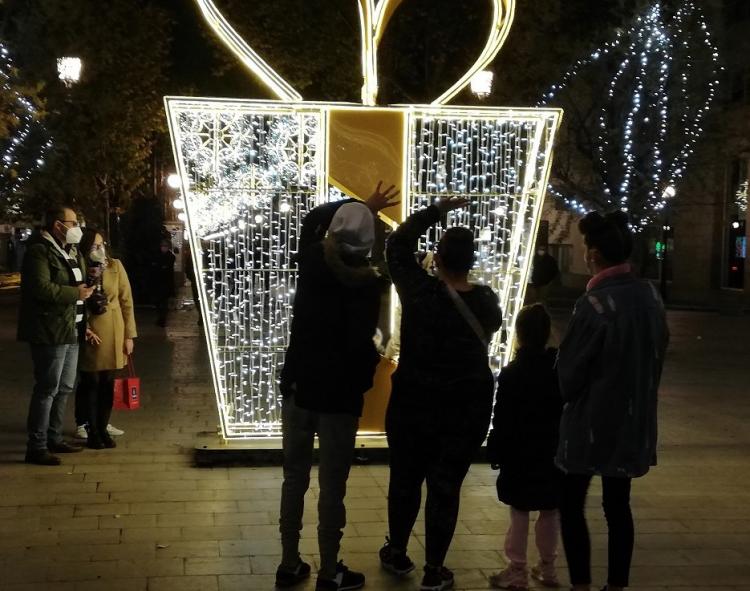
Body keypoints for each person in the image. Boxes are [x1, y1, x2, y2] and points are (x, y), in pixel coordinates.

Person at [275, 183, 399, 591]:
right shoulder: (369, 285)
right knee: (333, 485)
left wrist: (361, 206)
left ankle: (289, 562)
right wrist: (362, 381)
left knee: (294, 477)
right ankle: (330, 569)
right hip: (338, 400)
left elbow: (314, 219)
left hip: (299, 388)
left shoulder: (311, 262)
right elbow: (365, 345)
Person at [380, 197, 502, 591]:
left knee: (405, 478)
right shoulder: (485, 303)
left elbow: (396, 246)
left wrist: (436, 211)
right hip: (464, 408)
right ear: (471, 260)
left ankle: (397, 552)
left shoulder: (420, 292)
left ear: (437, 257)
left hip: (414, 402)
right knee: (446, 484)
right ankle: (435, 568)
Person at [556, 211, 669, 591]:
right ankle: (616, 585)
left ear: (595, 254)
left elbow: (569, 373)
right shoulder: (651, 297)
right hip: (634, 417)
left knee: (571, 501)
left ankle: (581, 583)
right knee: (618, 504)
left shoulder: (595, 305)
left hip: (591, 420)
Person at [486, 304, 562, 590]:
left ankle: (517, 567)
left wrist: (496, 450)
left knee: (520, 509)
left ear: (519, 333)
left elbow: (502, 416)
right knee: (550, 509)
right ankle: (548, 566)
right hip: (552, 450)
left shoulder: (512, 373)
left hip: (520, 452)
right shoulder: (558, 370)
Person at [17, 205, 94, 465]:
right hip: (49, 329)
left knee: (65, 387)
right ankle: (36, 446)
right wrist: (75, 294)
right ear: (58, 225)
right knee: (47, 387)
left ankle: (54, 437)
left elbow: (78, 283)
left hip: (72, 327)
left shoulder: (71, 251)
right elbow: (40, 288)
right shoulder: (40, 250)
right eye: (73, 223)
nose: (77, 228)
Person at [75, 228, 137, 449]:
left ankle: (103, 427)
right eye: (94, 246)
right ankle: (91, 429)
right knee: (91, 382)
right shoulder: (79, 266)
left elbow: (126, 300)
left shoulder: (115, 266)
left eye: (101, 245)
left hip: (113, 328)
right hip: (89, 328)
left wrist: (129, 334)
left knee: (107, 382)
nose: (99, 250)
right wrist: (84, 328)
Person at [153, 238, 175, 327]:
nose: (163, 247)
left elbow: (166, 268)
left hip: (166, 283)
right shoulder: (157, 255)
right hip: (157, 282)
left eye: (165, 246)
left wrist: (160, 267)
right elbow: (155, 266)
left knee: (164, 302)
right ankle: (160, 317)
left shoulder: (171, 256)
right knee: (158, 302)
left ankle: (162, 319)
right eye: (162, 245)